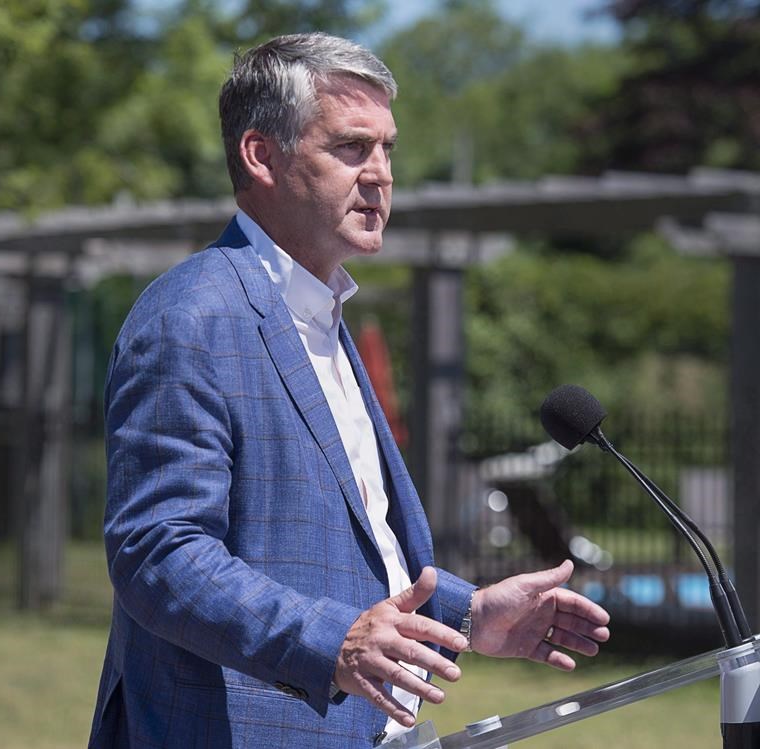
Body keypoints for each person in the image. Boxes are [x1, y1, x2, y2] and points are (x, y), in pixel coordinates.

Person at [88, 31, 610, 749]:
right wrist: (332, 638)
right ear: (260, 155)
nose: (380, 174)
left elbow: (332, 545)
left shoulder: (322, 316)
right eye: (350, 148)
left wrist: (470, 612)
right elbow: (158, 552)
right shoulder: (192, 316)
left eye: (387, 148)